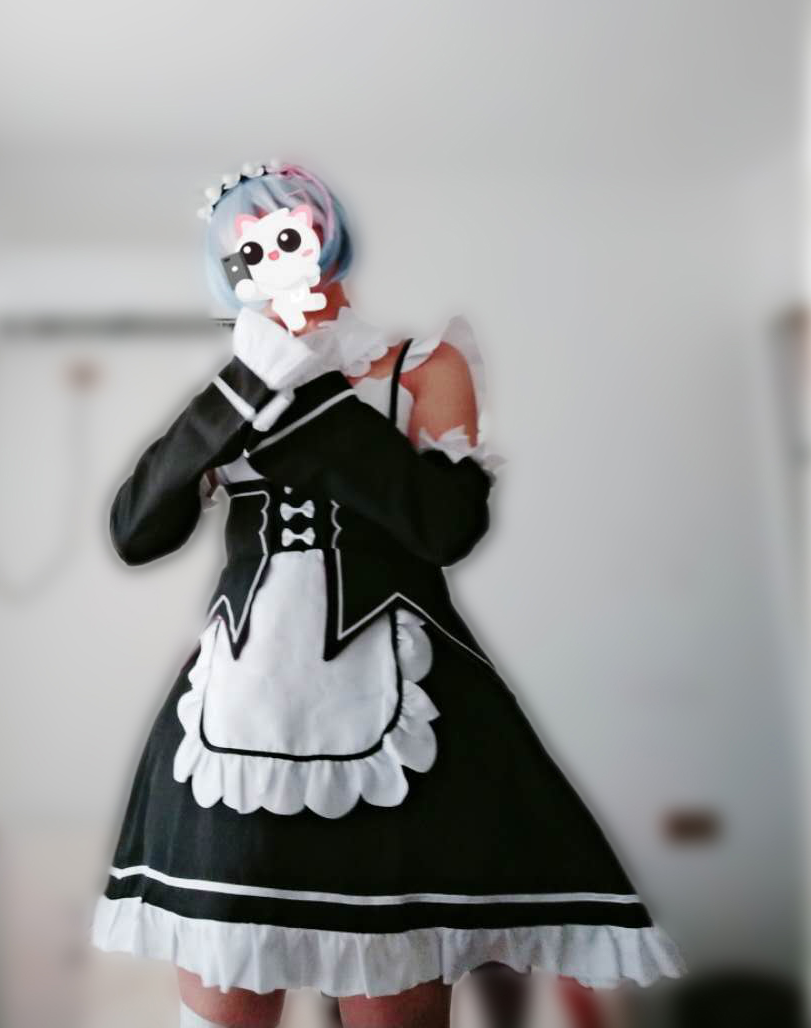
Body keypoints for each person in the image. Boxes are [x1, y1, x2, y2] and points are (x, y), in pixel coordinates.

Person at [90, 163, 683, 1028]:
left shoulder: (421, 364)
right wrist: (246, 387)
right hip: (234, 726)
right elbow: (136, 529)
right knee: (220, 1012)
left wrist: (305, 391)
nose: (269, 262)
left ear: (325, 235)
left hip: (403, 722)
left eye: (285, 237)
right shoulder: (238, 384)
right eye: (244, 255)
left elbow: (444, 527)